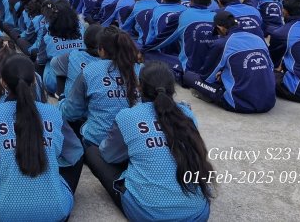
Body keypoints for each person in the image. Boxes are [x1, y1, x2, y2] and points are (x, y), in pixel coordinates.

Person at [0, 54, 84, 222]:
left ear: (2, 82)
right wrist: (51, 162)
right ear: (34, 81)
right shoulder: (53, 113)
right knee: (79, 157)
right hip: (56, 213)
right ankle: (53, 199)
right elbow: (75, 153)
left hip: (5, 215)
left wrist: (0, 167)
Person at [86, 62, 213, 221]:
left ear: (139, 88)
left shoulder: (128, 116)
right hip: (198, 214)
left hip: (149, 215)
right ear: (173, 89)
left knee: (92, 152)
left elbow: (109, 156)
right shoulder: (186, 114)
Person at [60, 25, 143, 145]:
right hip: (134, 140)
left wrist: (62, 102)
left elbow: (72, 113)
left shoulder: (90, 71)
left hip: (98, 141)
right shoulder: (139, 69)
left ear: (102, 50)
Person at [186, 11, 276, 113]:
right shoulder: (258, 39)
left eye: (217, 32)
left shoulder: (222, 43)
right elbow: (270, 68)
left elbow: (206, 77)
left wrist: (220, 75)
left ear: (221, 28)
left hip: (239, 104)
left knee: (189, 76)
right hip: (269, 102)